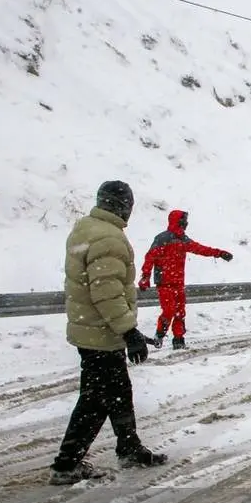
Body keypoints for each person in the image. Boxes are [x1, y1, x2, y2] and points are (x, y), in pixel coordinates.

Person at [51, 181, 167, 485]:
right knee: (96, 400)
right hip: (101, 333)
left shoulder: (87, 228)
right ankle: (66, 465)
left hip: (89, 328)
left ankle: (128, 446)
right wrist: (129, 331)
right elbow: (108, 292)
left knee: (116, 392)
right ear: (123, 206)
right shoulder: (109, 238)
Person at [138, 209, 232, 349]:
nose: (186, 224)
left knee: (180, 312)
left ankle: (179, 339)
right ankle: (159, 335)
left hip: (178, 282)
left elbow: (201, 249)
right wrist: (145, 276)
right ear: (179, 222)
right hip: (164, 283)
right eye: (184, 221)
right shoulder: (162, 238)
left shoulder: (184, 239)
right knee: (169, 310)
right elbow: (150, 257)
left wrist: (219, 253)